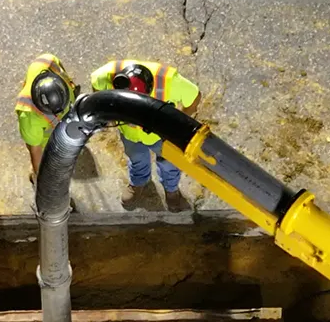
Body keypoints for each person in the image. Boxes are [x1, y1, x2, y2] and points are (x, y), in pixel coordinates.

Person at [90, 59, 201, 212]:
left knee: (169, 162)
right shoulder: (106, 75)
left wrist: (179, 124)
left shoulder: (169, 81)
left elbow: (195, 96)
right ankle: (139, 182)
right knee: (136, 158)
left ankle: (171, 189)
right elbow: (97, 87)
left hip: (161, 136)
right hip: (130, 134)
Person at [16, 53, 79, 179]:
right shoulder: (28, 117)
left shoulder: (48, 61)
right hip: (43, 135)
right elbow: (36, 151)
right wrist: (42, 178)